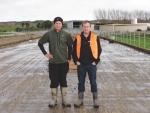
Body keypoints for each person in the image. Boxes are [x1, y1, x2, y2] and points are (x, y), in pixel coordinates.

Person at [38, 17, 73, 107]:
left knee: (63, 81)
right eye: (56, 23)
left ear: (62, 24)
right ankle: (54, 100)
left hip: (63, 62)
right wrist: (46, 54)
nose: (58, 25)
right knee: (53, 81)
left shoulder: (66, 34)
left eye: (59, 23)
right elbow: (40, 43)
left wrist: (69, 57)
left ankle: (65, 100)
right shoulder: (49, 34)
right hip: (53, 62)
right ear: (54, 24)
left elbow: (70, 46)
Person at [72, 21, 102, 108]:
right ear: (82, 27)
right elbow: (73, 51)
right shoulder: (78, 38)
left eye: (87, 27)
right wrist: (76, 61)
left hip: (91, 65)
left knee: (93, 82)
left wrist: (96, 61)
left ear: (90, 27)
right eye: (84, 27)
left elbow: (99, 50)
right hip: (81, 64)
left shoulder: (95, 37)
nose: (86, 28)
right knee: (81, 82)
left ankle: (95, 100)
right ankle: (80, 100)